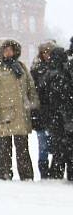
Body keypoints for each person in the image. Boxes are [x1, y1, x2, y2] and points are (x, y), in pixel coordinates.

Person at [0, 39, 38, 181]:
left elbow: (31, 88)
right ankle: (5, 174)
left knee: (23, 148)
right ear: (0, 52)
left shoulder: (21, 67)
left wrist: (34, 106)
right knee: (5, 148)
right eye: (5, 49)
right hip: (4, 114)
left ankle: (26, 176)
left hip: (21, 114)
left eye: (11, 49)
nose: (8, 52)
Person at [37, 47, 73, 180]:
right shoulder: (65, 72)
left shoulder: (47, 74)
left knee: (58, 148)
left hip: (54, 116)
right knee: (67, 147)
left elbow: (42, 96)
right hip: (65, 115)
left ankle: (56, 174)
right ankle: (68, 174)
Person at [30, 41, 57, 178]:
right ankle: (44, 172)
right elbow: (32, 92)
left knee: (56, 144)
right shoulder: (36, 69)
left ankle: (54, 172)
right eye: (44, 52)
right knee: (43, 145)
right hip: (41, 112)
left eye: (49, 52)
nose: (47, 55)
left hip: (55, 112)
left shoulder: (58, 68)